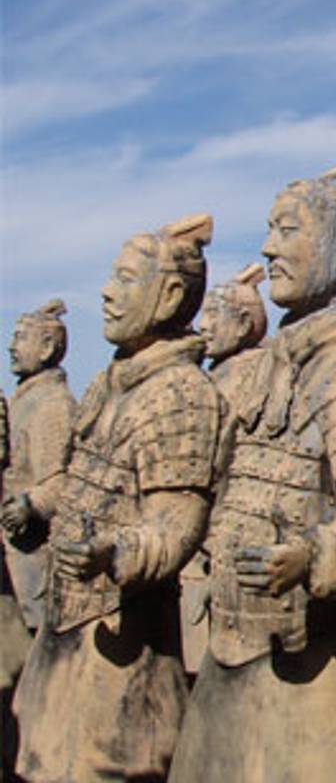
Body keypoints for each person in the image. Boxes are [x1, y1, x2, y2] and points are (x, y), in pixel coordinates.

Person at [169, 152, 336, 782]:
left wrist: (314, 556)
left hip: (317, 670)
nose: (268, 247)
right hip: (231, 652)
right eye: (270, 229)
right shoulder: (272, 363)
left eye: (287, 230)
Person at [10, 214, 220, 782]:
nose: (106, 291)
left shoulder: (182, 393)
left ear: (169, 295)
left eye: (125, 279)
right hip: (68, 625)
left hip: (122, 642)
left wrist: (116, 550)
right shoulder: (112, 383)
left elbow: (175, 524)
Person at [178, 263, 269, 677]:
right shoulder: (217, 375)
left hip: (225, 537)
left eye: (215, 315)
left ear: (245, 323)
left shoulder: (253, 378)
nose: (204, 326)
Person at [2, 299, 75, 633]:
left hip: (32, 557)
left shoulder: (52, 404)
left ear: (46, 347)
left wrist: (29, 504)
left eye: (20, 338)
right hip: (13, 553)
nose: (11, 346)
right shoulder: (24, 398)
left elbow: (62, 481)